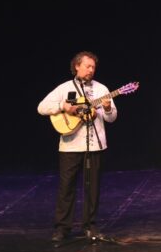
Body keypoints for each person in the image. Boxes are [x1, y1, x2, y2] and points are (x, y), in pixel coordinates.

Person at [37, 51, 117, 242]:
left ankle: (90, 226)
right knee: (66, 187)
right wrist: (63, 107)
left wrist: (106, 108)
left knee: (92, 187)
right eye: (88, 66)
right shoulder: (64, 88)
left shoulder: (101, 89)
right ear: (77, 67)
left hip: (94, 145)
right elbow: (41, 107)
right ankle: (62, 228)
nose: (91, 70)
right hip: (70, 146)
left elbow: (112, 117)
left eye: (93, 67)